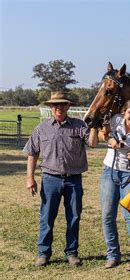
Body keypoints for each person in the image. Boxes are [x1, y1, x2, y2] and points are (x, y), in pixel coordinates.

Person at [23, 91, 92, 267]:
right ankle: (43, 253)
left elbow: (92, 142)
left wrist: (97, 126)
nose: (59, 107)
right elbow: (32, 153)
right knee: (47, 216)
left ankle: (72, 253)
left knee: (74, 217)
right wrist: (30, 178)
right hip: (50, 179)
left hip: (74, 179)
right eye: (55, 105)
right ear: (51, 107)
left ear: (68, 106)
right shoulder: (41, 128)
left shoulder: (79, 125)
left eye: (62, 104)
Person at [88, 99, 130, 271]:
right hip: (109, 171)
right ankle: (112, 255)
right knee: (107, 215)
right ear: (124, 113)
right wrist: (110, 141)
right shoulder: (115, 121)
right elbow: (101, 133)